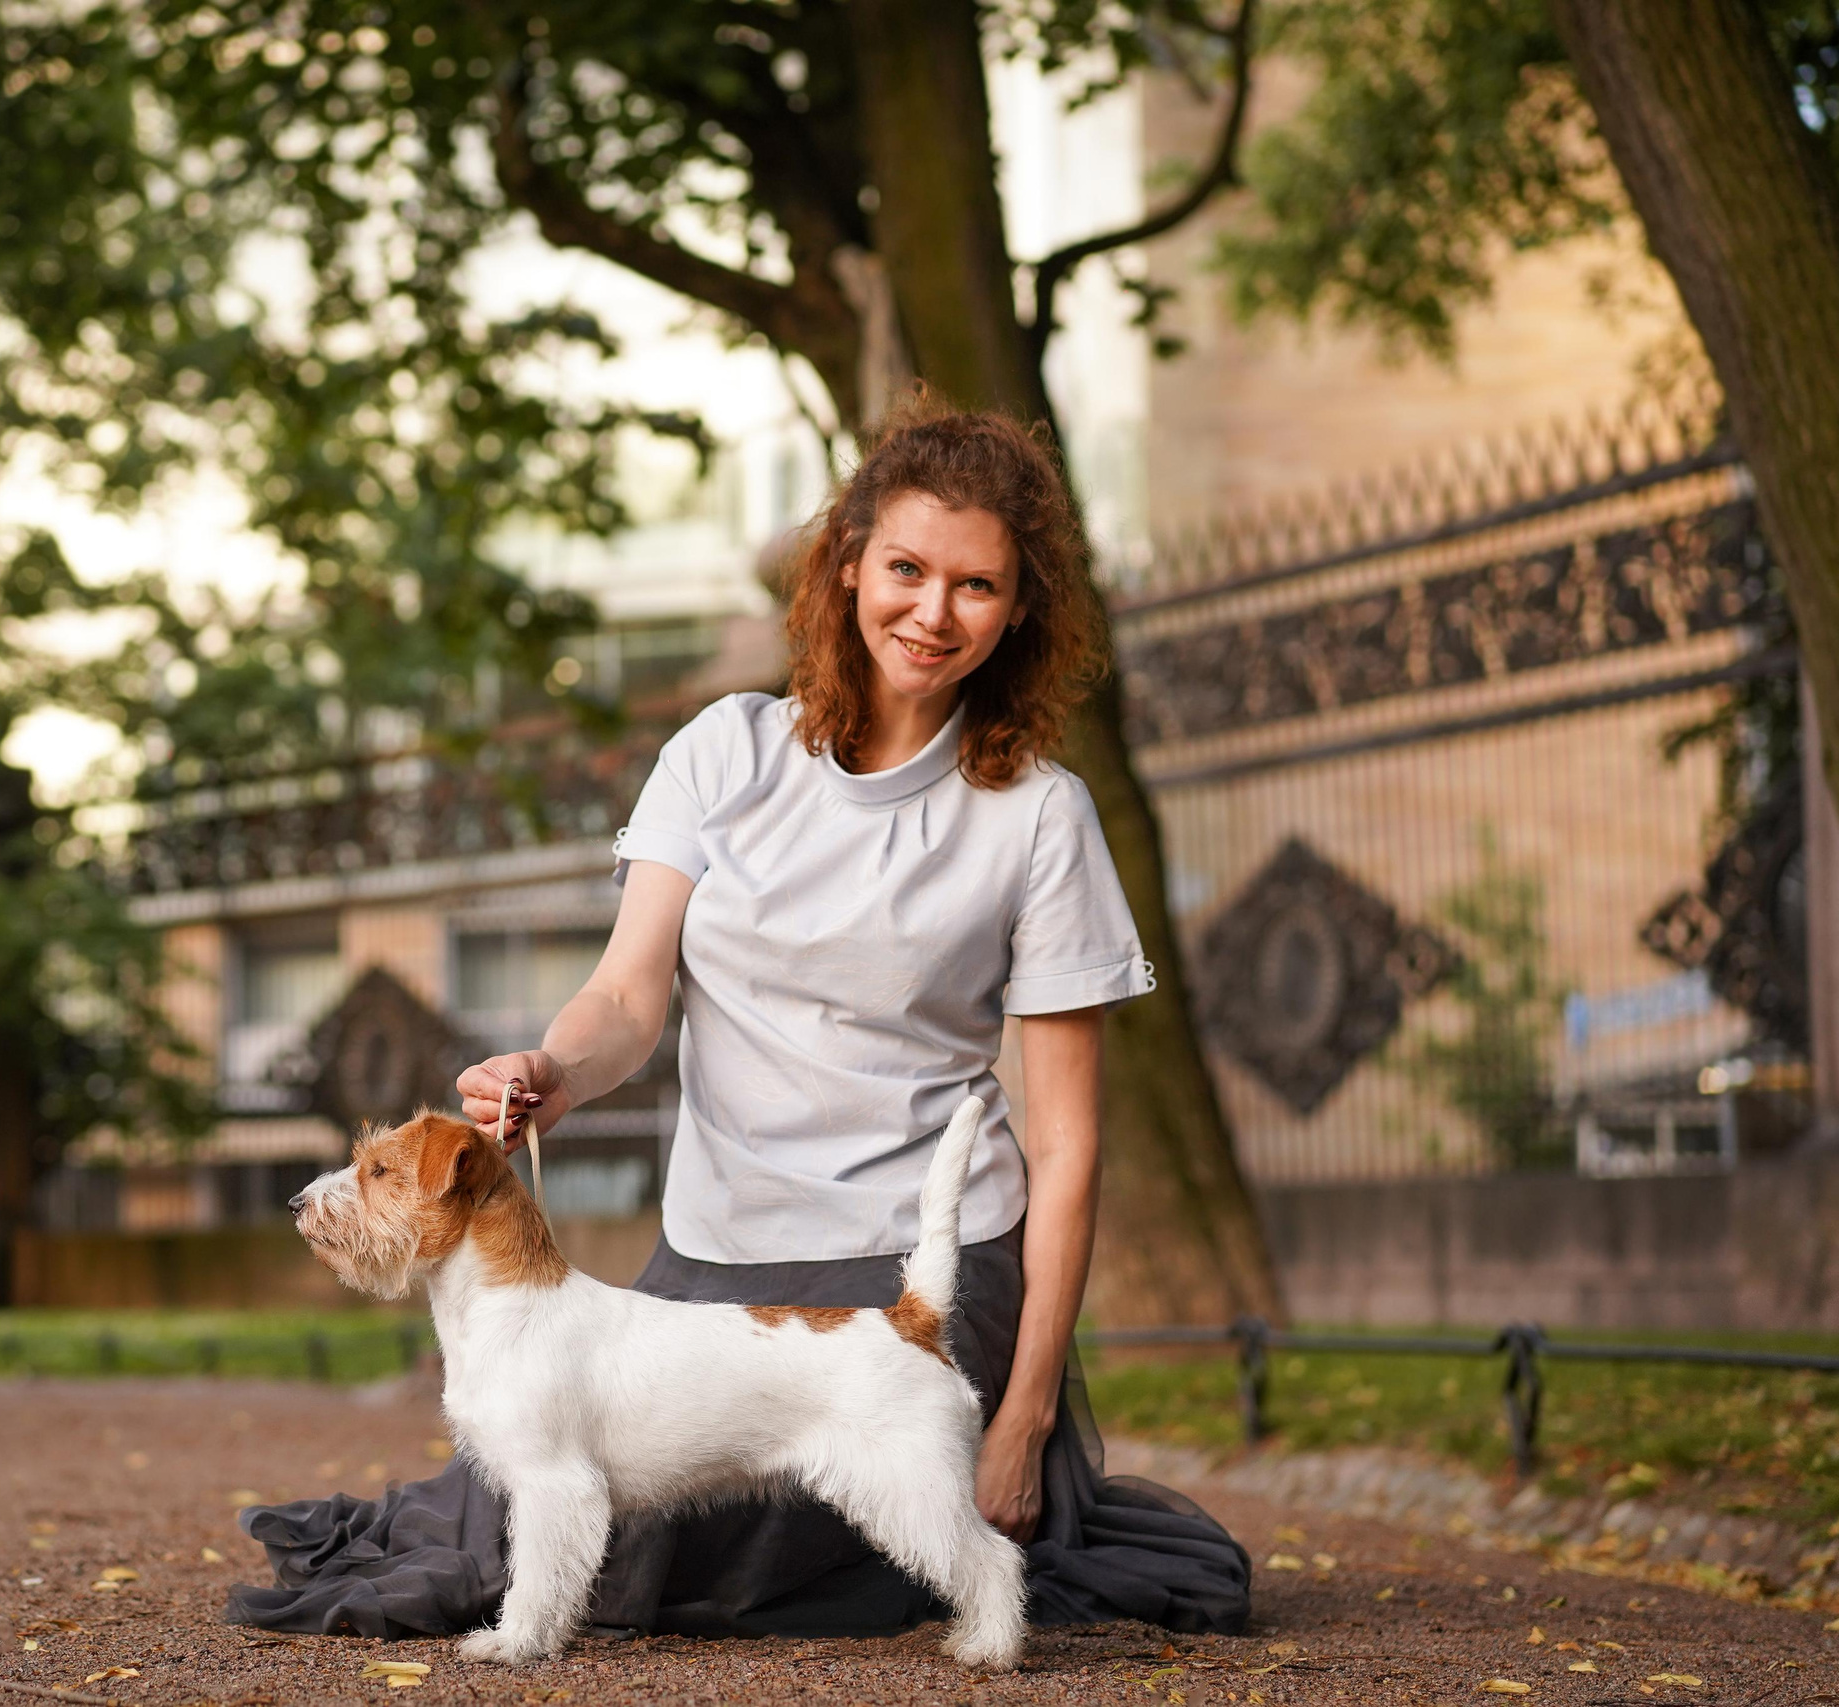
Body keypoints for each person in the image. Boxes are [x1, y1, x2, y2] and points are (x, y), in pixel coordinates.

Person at [228, 398, 1251, 1641]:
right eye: (907, 569)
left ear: (1018, 608)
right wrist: (553, 1065)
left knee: (794, 1548)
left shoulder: (1041, 814)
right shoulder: (724, 752)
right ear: (849, 564)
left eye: (976, 585)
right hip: (721, 1248)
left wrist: (1026, 1409)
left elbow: (1069, 1141)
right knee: (568, 1531)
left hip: (913, 1253)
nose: (933, 613)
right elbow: (624, 998)